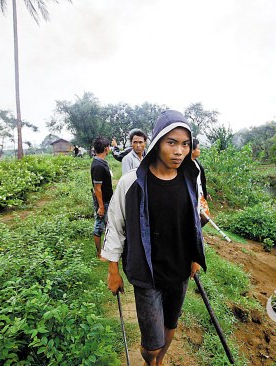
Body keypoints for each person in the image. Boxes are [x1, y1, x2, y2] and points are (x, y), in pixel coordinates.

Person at [101, 110, 207, 366]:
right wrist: (113, 271)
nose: (179, 151)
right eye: (172, 143)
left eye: (184, 144)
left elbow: (194, 223)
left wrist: (195, 257)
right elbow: (115, 226)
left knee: (171, 324)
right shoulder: (131, 183)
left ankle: (158, 362)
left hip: (179, 270)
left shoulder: (191, 180)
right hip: (147, 274)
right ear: (158, 143)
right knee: (152, 343)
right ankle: (151, 359)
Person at [90, 137, 112, 259]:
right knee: (99, 226)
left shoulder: (101, 162)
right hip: (102, 201)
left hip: (107, 199)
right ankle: (99, 254)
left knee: (108, 224)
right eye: (109, 147)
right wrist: (101, 206)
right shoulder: (98, 165)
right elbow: (97, 188)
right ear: (106, 149)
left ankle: (106, 250)